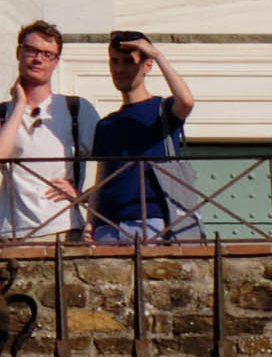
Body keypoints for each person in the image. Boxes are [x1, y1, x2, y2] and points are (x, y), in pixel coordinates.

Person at [0, 22, 90, 242]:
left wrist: (84, 196)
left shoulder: (76, 109)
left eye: (47, 54)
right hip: (13, 230)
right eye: (31, 51)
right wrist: (19, 104)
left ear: (56, 62)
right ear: (19, 53)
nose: (38, 59)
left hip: (65, 227)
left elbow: (115, 163)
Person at [81, 34, 197, 241]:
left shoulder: (164, 109)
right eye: (114, 61)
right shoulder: (106, 124)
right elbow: (102, 178)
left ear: (147, 66)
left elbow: (187, 101)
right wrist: (90, 224)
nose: (119, 69)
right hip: (106, 226)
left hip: (152, 221)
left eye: (128, 61)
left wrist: (158, 55)